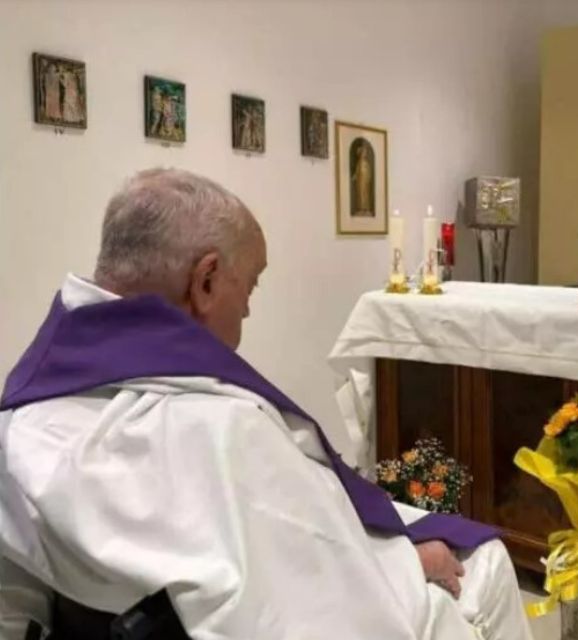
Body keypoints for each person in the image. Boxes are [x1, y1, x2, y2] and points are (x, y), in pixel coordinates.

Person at [0, 168, 532, 639]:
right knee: (485, 562)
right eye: (250, 285)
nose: (249, 310)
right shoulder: (221, 427)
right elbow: (317, 588)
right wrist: (404, 560)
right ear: (205, 281)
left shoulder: (27, 405)